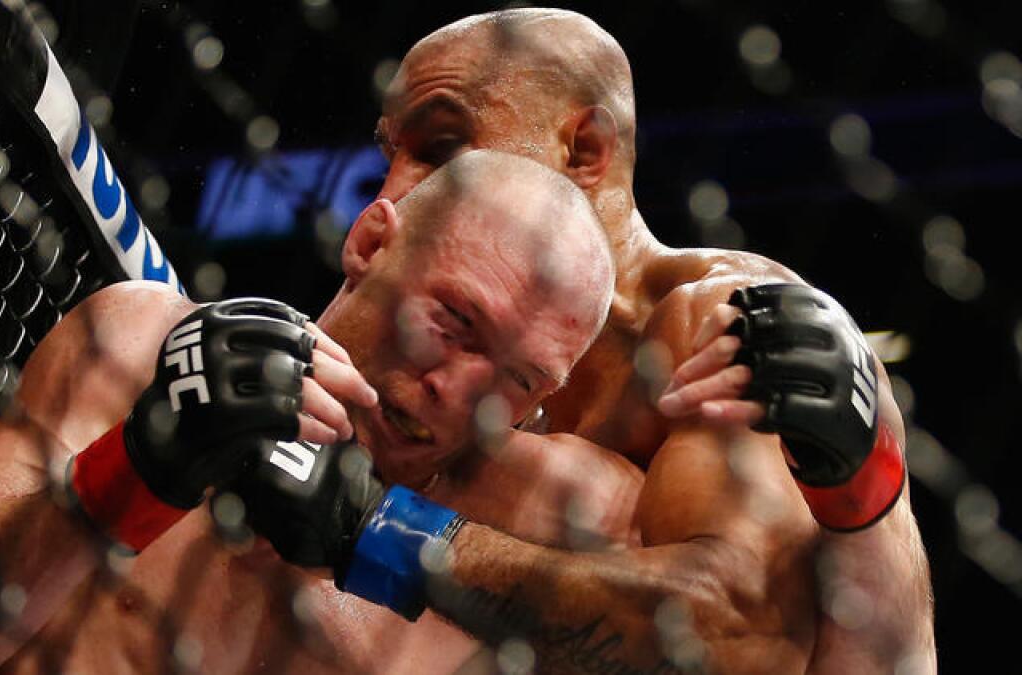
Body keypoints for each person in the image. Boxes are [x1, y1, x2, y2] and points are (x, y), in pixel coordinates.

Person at [230, 8, 933, 674]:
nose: (397, 184)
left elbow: (737, 639)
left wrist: (384, 532)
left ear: (585, 149)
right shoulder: (418, 334)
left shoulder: (721, 323)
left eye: (443, 146)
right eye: (394, 152)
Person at [0, 150, 636, 674]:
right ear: (371, 242)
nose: (460, 389)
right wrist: (146, 463)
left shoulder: (511, 562)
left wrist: (395, 544)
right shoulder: (142, 343)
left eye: (518, 380)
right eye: (455, 320)